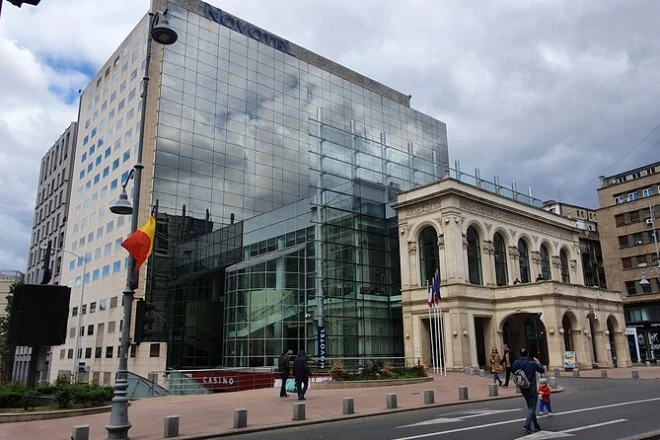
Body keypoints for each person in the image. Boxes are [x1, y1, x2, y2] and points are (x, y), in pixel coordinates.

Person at [512, 348, 546, 434]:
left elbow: (513, 371)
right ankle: (527, 426)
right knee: (532, 407)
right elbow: (542, 370)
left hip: (522, 387)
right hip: (531, 387)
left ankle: (536, 425)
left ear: (520, 354)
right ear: (527, 354)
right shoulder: (532, 363)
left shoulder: (516, 362)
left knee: (530, 406)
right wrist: (538, 362)